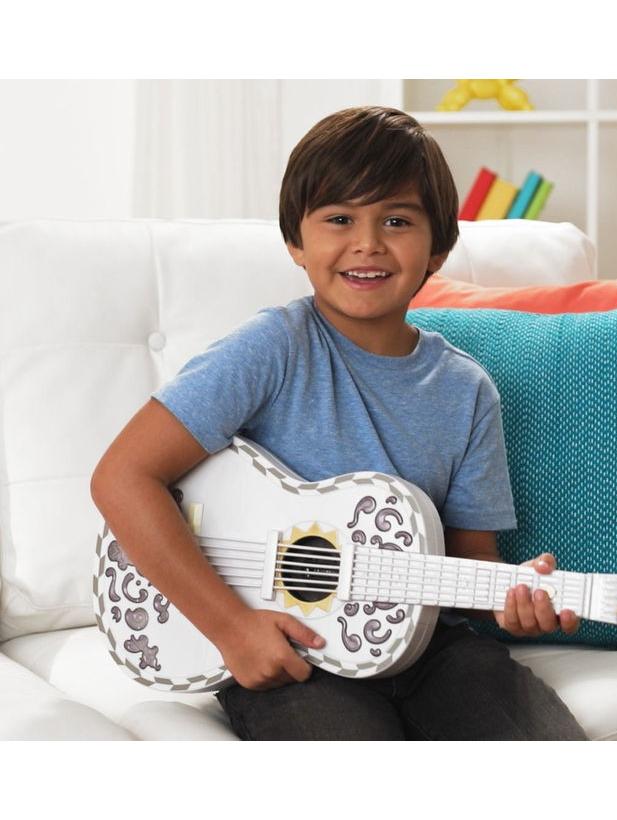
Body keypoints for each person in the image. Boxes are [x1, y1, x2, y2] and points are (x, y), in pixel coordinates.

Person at [90, 106, 588, 741]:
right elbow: (122, 476)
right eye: (339, 219)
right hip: (291, 652)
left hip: (429, 651)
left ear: (438, 247)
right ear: (296, 242)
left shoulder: (466, 392)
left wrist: (511, 601)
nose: (368, 243)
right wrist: (232, 628)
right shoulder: (273, 349)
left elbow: (469, 561)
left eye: (397, 221)